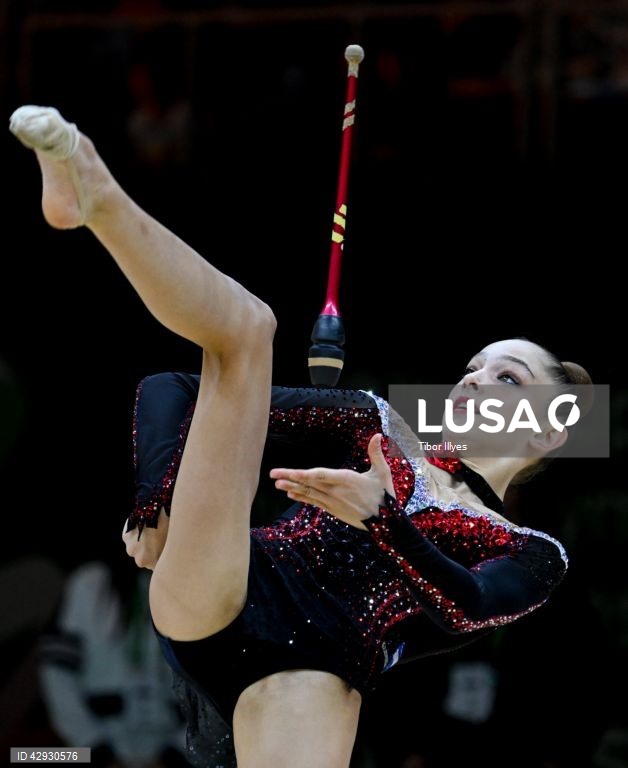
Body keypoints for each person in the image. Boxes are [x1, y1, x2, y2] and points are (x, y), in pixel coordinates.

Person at [9, 104, 590, 768]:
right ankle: (95, 192)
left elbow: (471, 606)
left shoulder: (532, 551)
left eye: (509, 380)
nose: (476, 382)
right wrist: (154, 502)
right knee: (246, 332)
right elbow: (175, 389)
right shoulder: (379, 427)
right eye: (471, 369)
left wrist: (382, 519)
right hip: (226, 586)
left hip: (317, 669)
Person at [38, 557, 189, 768]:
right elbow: (56, 673)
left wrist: (175, 755)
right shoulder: (87, 583)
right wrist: (95, 750)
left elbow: (217, 684)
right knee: (28, 755)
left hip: (178, 750)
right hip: (90, 748)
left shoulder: (192, 584)